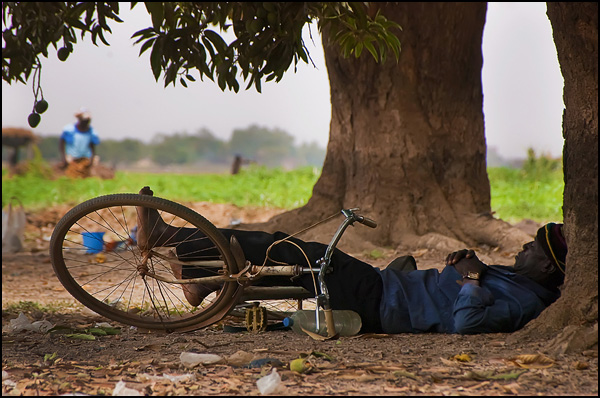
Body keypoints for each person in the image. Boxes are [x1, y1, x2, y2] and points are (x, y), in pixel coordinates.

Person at [135, 186, 567, 335]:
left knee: (285, 249)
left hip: (380, 302)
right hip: (389, 289)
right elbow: (465, 284)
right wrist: (465, 263)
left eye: (533, 249)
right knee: (296, 269)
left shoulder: (527, 303)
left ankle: (170, 237)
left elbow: (466, 325)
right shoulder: (520, 280)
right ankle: (202, 281)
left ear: (548, 267)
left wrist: (472, 280)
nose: (523, 249)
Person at [59, 108, 100, 177]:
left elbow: (92, 147)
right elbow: (62, 143)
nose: (86, 123)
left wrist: (91, 159)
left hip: (85, 160)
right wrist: (64, 157)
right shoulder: (69, 130)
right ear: (80, 119)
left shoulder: (92, 132)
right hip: (72, 159)